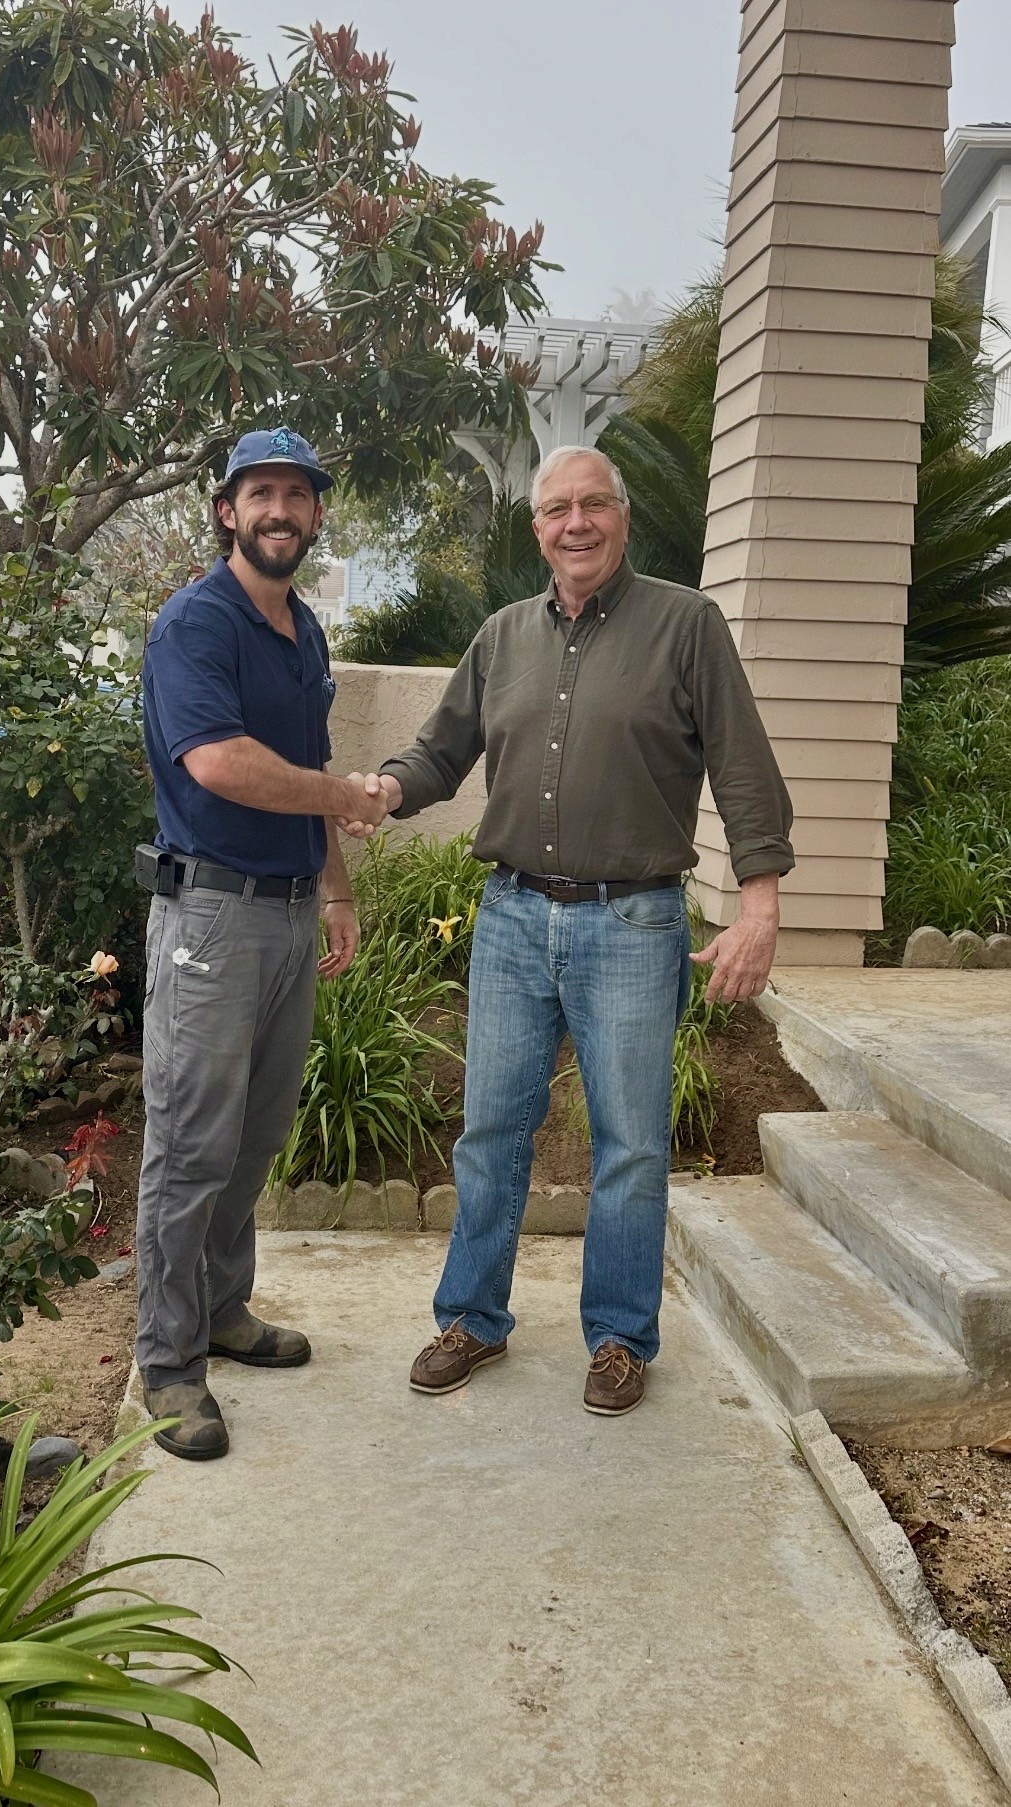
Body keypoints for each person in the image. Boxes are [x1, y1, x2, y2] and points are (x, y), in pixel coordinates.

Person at [339, 444, 794, 1417]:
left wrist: (760, 903)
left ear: (622, 517)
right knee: (492, 1128)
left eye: (594, 504)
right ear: (537, 528)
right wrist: (385, 787)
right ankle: (472, 1317)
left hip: (632, 921)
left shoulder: (687, 624)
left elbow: (744, 766)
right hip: (510, 915)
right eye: (557, 509)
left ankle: (621, 1338)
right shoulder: (503, 636)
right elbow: (440, 748)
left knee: (629, 1142)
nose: (575, 523)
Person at [135, 426, 389, 1459]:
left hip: (287, 912)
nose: (280, 510)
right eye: (261, 493)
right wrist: (345, 797)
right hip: (211, 918)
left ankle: (226, 1312)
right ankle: (168, 1361)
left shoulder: (305, 629)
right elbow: (221, 765)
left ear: (316, 513)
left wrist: (335, 891)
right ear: (227, 511)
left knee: (254, 1137)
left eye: (298, 493)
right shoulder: (195, 625)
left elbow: (306, 760)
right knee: (190, 1144)